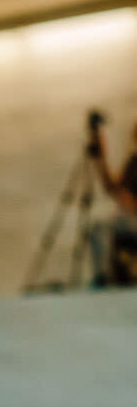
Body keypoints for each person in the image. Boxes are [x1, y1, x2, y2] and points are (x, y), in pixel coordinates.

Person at [88, 117, 137, 286]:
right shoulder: (133, 162)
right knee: (99, 227)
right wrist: (101, 158)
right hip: (130, 219)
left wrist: (129, 202)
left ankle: (104, 278)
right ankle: (104, 277)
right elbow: (113, 188)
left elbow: (125, 198)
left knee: (102, 227)